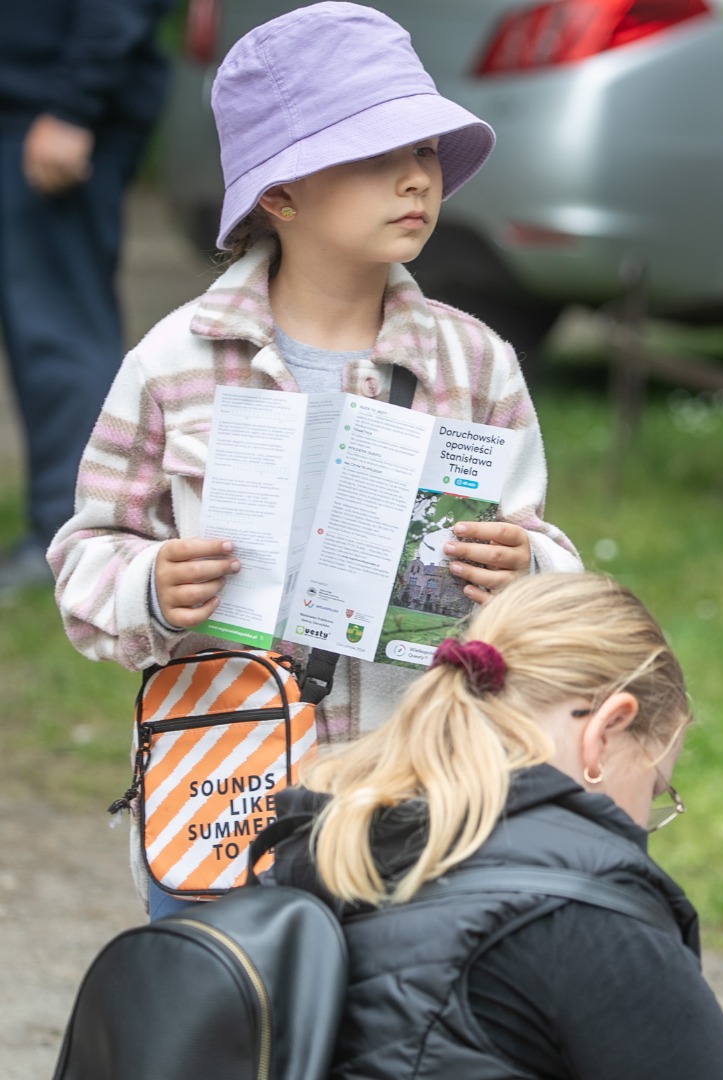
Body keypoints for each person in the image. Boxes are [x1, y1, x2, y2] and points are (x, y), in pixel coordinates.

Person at [46, 2, 581, 917]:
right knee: (238, 1045)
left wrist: (523, 569)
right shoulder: (176, 363)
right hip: (228, 803)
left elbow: (545, 567)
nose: (415, 178)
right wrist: (150, 588)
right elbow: (87, 555)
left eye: (424, 153)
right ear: (279, 196)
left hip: (418, 796)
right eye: (377, 156)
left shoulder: (474, 363)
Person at [268, 571, 723, 1080]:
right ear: (608, 731)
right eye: (656, 786)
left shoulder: (329, 847)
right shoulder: (590, 918)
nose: (646, 821)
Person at [0, 0, 172, 594]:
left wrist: (74, 103)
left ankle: (72, 543)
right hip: (31, 100)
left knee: (56, 328)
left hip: (50, 109)